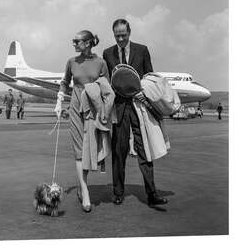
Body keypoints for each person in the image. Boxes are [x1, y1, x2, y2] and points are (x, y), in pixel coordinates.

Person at [103, 19, 168, 207]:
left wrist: (144, 93)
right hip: (119, 108)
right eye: (117, 36)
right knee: (118, 150)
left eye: (124, 34)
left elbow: (151, 77)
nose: (121, 39)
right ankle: (117, 192)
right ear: (113, 34)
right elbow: (107, 82)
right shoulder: (108, 53)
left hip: (139, 107)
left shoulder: (142, 50)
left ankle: (152, 194)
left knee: (144, 149)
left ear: (130, 32)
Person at [55, 30, 111, 213]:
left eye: (76, 41)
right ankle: (85, 190)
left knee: (89, 149)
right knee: (79, 151)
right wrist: (59, 100)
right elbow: (65, 82)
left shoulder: (101, 62)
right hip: (75, 106)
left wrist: (105, 113)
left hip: (93, 109)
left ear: (87, 43)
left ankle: (82, 185)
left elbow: (106, 88)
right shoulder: (71, 61)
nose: (74, 44)